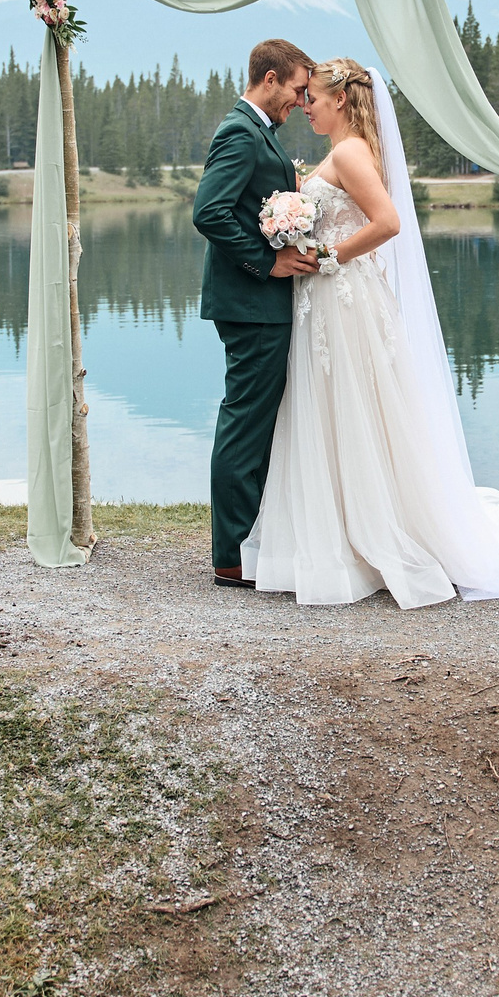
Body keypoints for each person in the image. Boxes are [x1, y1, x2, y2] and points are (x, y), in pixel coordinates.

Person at [241, 56, 499, 606]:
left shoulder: (350, 153)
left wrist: (328, 255)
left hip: (341, 298)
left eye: (314, 99)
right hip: (327, 299)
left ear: (341, 100)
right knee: (338, 409)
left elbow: (388, 223)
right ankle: (341, 531)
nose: (305, 107)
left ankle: (368, 536)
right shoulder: (345, 150)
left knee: (352, 407)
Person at [191, 39, 318, 588]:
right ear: (270, 79)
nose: (301, 101)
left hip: (260, 304)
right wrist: (267, 262)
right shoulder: (240, 132)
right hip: (251, 304)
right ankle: (232, 556)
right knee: (244, 423)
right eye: (297, 90)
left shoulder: (259, 131)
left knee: (256, 422)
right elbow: (209, 212)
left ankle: (251, 542)